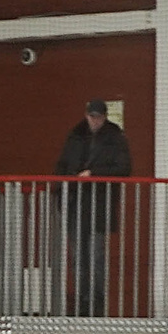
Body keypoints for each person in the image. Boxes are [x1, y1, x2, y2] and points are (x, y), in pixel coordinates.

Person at [53, 99, 132, 317]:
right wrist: (61, 189)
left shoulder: (115, 138)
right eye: (92, 116)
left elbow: (123, 168)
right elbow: (62, 165)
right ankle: (83, 297)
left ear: (105, 116)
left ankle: (95, 299)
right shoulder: (76, 136)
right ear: (86, 115)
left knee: (96, 254)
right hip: (75, 203)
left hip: (98, 204)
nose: (95, 121)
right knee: (79, 255)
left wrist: (93, 174)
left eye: (98, 117)